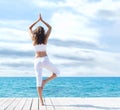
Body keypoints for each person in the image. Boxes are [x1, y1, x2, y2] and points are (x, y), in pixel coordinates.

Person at [28, 14, 60, 105]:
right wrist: (42, 20)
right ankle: (45, 81)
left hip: (37, 61)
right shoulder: (45, 38)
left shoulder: (33, 39)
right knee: (57, 73)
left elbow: (29, 28)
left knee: (38, 82)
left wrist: (37, 20)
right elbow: (50, 27)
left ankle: (41, 101)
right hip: (45, 60)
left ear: (36, 32)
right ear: (43, 32)